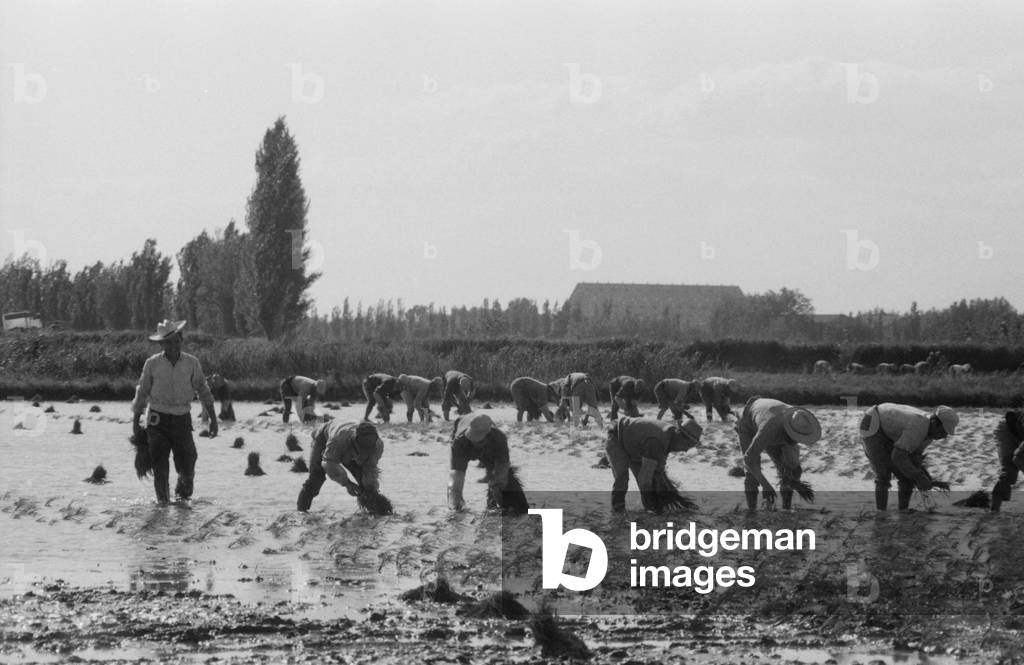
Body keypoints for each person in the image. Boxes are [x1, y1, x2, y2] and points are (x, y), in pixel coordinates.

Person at [131, 320, 218, 504]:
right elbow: (142, 392)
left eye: (176, 341)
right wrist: (136, 422)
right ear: (161, 344)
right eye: (168, 342)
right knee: (160, 468)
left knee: (188, 464)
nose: (173, 346)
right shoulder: (152, 364)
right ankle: (162, 506)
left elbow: (203, 390)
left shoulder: (191, 363)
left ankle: (181, 500)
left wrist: (213, 420)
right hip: (157, 421)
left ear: (181, 340)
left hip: (182, 421)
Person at [858, 403, 958, 511]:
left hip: (888, 426)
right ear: (935, 423)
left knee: (907, 477)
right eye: (943, 431)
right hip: (872, 422)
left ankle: (903, 511)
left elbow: (914, 459)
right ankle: (881, 513)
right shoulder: (918, 426)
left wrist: (928, 480)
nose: (944, 436)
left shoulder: (929, 435)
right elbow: (897, 457)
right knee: (883, 474)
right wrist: (919, 477)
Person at [735, 396, 822, 511]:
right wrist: (766, 486)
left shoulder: (799, 419)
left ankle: (786, 509)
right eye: (795, 437)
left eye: (799, 438)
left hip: (772, 422)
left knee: (792, 470)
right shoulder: (769, 429)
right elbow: (749, 459)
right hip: (749, 422)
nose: (796, 441)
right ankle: (752, 511)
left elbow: (793, 466)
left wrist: (793, 480)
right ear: (789, 431)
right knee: (752, 475)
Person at [605, 416, 703, 512]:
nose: (686, 450)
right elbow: (645, 480)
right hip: (617, 437)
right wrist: (654, 506)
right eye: (687, 445)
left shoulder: (670, 437)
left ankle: (648, 508)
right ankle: (617, 510)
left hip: (636, 445)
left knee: (649, 479)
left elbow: (658, 470)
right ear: (680, 436)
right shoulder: (657, 441)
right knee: (622, 477)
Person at [296, 420, 383, 511]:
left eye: (369, 447)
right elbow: (329, 463)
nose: (365, 451)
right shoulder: (338, 440)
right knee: (316, 478)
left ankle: (373, 511)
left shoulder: (378, 446)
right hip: (324, 439)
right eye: (363, 446)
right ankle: (301, 511)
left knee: (366, 485)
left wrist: (370, 487)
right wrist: (347, 484)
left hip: (349, 449)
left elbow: (370, 468)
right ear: (355, 440)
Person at [448, 413, 524, 513]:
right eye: (473, 439)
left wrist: (497, 486)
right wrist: (456, 503)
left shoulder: (498, 438)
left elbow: (502, 467)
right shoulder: (459, 443)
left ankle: (495, 505)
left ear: (489, 434)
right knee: (456, 493)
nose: (475, 443)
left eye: (479, 440)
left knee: (500, 480)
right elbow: (456, 476)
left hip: (490, 451)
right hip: (465, 446)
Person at [992, 410, 1024, 512]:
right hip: (1007, 428)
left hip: (1019, 431)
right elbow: (1017, 457)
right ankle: (994, 510)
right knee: (1009, 470)